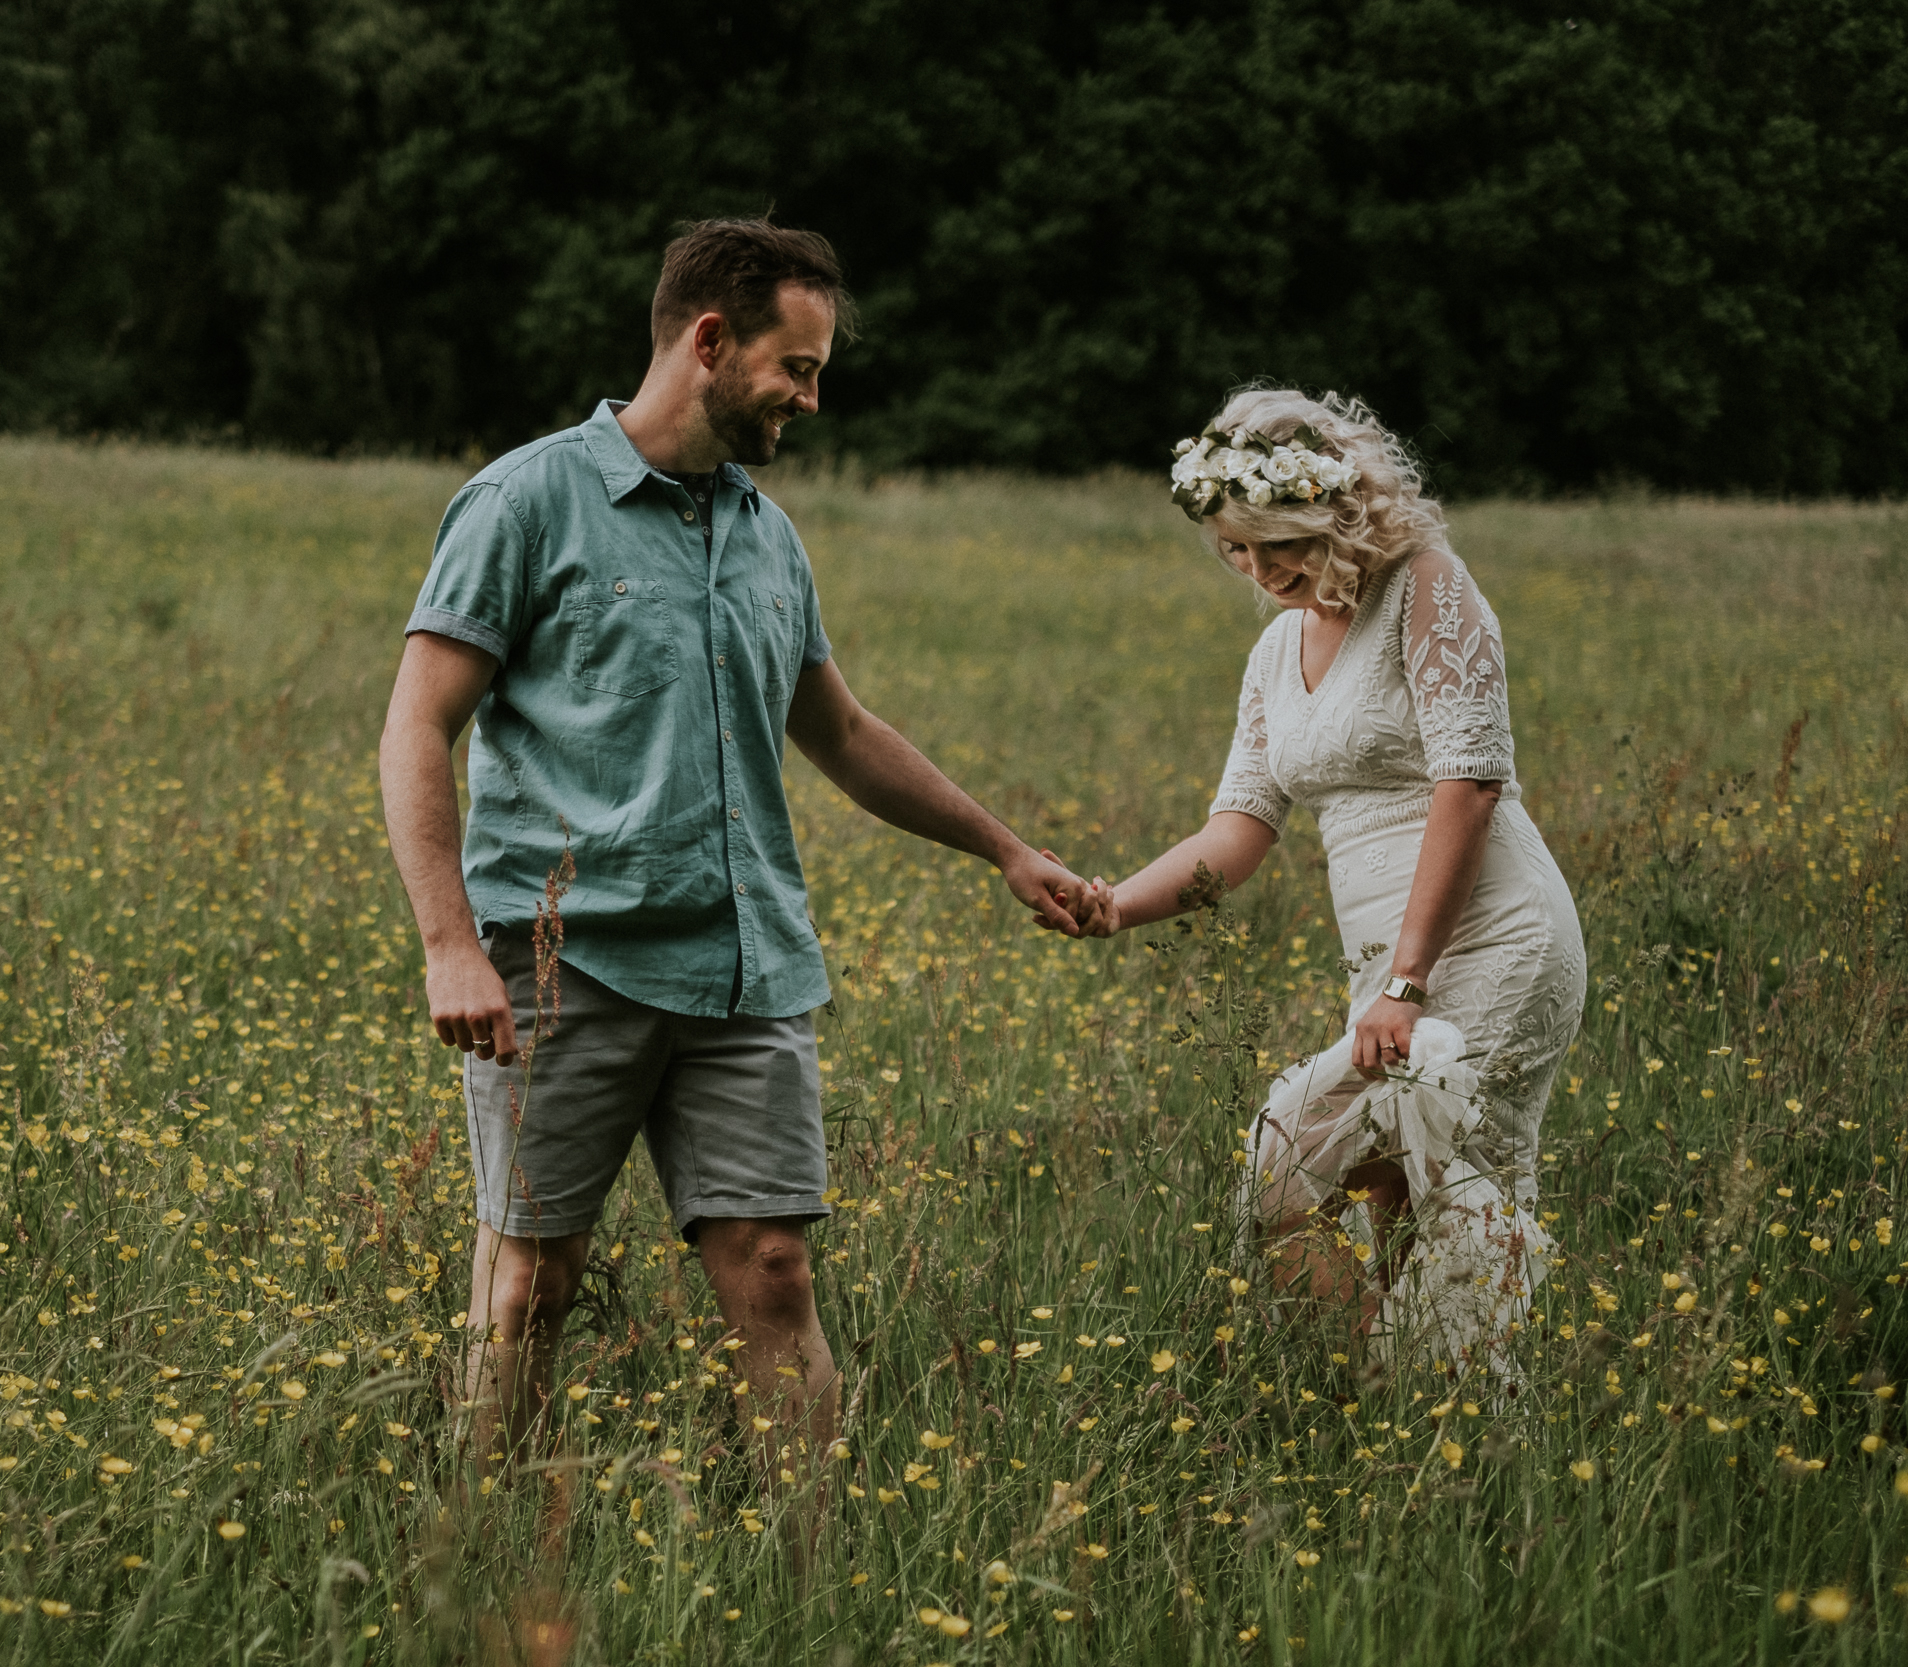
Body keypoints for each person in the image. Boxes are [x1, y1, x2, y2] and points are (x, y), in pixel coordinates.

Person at [377, 218, 1098, 1475]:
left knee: (773, 1272)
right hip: (562, 962)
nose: (812, 399)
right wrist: (449, 944)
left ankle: (807, 1577)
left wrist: (1005, 848)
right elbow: (415, 726)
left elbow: (844, 728)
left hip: (745, 963)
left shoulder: (764, 531)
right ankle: (492, 1547)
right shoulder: (525, 499)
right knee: (531, 1288)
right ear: (709, 340)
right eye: (796, 367)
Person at [1070, 388, 1584, 1377]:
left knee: (1444, 1191)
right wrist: (1115, 903)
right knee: (1334, 1194)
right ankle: (1396, 1403)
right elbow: (1241, 826)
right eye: (1236, 552)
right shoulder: (1274, 650)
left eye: (1278, 547)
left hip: (1488, 942)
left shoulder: (1425, 586)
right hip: (1385, 968)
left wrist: (1407, 978)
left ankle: (1465, 1424)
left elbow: (1469, 783)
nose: (1260, 575)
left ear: (1338, 512)